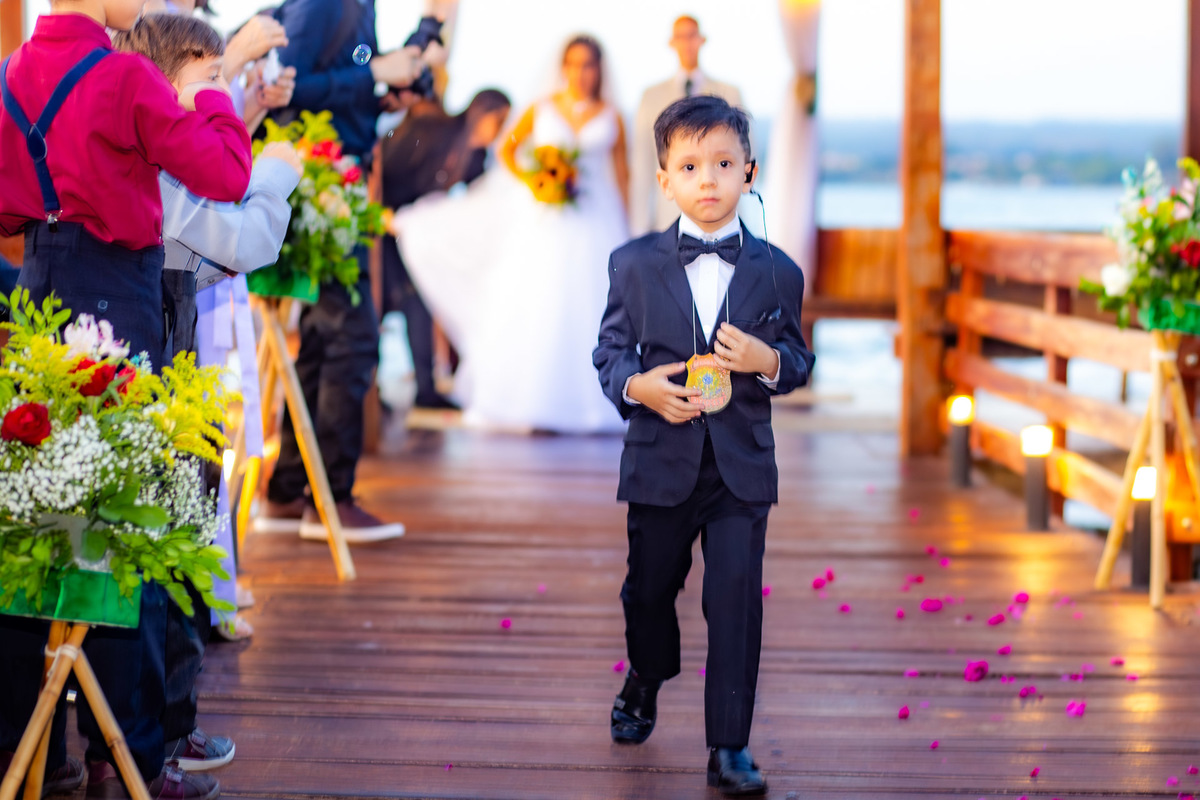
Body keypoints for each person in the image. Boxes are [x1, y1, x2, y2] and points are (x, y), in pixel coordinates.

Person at [0, 0, 251, 796]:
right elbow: (226, 174)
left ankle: (36, 753)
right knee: (128, 523)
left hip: (40, 292)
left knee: (47, 514)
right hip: (119, 294)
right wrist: (212, 91)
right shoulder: (124, 76)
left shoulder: (9, 75)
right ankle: (133, 753)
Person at [593, 95, 814, 797]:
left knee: (735, 601)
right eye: (690, 166)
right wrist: (639, 388)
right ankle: (647, 674)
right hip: (660, 463)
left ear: (749, 172)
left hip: (740, 470)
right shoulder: (632, 264)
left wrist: (765, 360)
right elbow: (609, 353)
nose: (708, 180)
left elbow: (799, 360)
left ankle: (729, 747)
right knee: (650, 592)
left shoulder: (779, 272)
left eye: (723, 164)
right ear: (665, 180)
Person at [113, 11, 302, 780]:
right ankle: (155, 738)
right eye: (213, 78)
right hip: (155, 365)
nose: (225, 92)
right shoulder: (156, 163)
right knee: (173, 547)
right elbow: (240, 243)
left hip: (172, 350)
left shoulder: (161, 154)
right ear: (166, 82)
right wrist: (280, 178)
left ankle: (171, 724)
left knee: (188, 538)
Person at [393, 35, 628, 433]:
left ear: (599, 69)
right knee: (540, 301)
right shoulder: (542, 108)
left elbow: (623, 176)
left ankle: (591, 400)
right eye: (573, 63)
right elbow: (508, 150)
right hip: (548, 219)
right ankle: (532, 398)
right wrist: (537, 180)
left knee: (592, 304)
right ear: (563, 67)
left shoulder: (612, 116)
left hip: (596, 219)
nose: (580, 73)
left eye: (588, 64)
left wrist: (630, 228)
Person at [255, 0, 425, 542]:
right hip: (320, 180)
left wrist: (379, 93)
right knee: (350, 338)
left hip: (335, 176)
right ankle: (330, 498)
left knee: (324, 338)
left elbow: (333, 81)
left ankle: (290, 491)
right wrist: (374, 73)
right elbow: (288, 87)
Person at [379, 88, 511, 410]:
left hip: (417, 233)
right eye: (501, 121)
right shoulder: (433, 130)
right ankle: (371, 390)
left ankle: (426, 388)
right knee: (381, 302)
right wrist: (381, 212)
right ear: (483, 114)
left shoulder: (477, 157)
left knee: (420, 298)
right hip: (384, 222)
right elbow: (387, 165)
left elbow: (474, 204)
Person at [629, 15, 743, 237]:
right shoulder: (650, 97)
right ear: (672, 43)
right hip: (667, 218)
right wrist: (639, 227)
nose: (687, 43)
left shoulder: (730, 94)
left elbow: (742, 160)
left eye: (692, 36)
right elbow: (642, 165)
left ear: (701, 40)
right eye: (681, 37)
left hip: (720, 219)